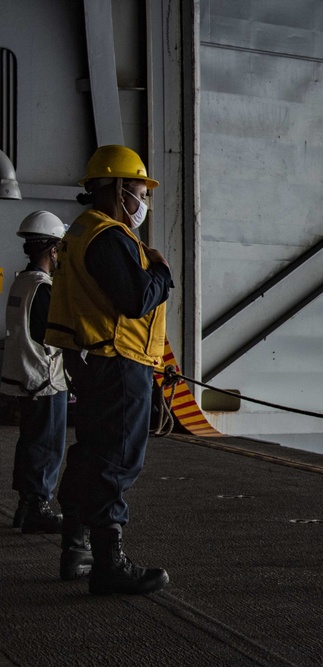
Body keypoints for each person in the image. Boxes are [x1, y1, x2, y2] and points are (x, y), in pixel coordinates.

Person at [46, 145, 172, 594]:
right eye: (139, 191)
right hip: (117, 359)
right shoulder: (109, 235)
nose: (142, 201)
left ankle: (77, 548)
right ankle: (109, 564)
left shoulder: (80, 232)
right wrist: (161, 272)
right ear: (119, 190)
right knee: (116, 461)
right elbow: (136, 299)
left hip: (94, 358)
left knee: (92, 454)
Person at [1, 211, 69, 535]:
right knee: (47, 444)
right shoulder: (44, 288)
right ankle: (38, 506)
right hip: (45, 379)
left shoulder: (21, 281)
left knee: (30, 442)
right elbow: (53, 335)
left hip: (24, 377)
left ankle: (26, 507)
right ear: (53, 250)